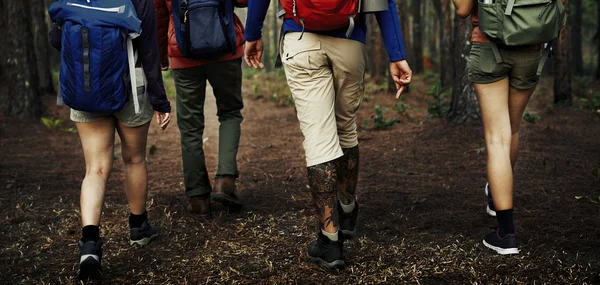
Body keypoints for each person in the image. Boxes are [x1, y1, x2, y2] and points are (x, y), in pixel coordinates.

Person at [244, 0, 412, 270]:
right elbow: (385, 2)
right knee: (345, 127)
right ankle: (347, 209)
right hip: (350, 39)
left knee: (318, 138)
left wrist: (252, 34)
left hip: (300, 38)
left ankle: (330, 240)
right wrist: (396, 53)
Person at [49, 0, 171, 279]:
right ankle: (139, 228)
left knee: (96, 168)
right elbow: (149, 49)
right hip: (132, 84)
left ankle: (90, 244)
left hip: (86, 84)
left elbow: (56, 36)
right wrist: (160, 100)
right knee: (134, 158)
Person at [453, 0, 566, 255]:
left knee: (497, 139)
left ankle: (506, 233)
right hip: (531, 47)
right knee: (512, 130)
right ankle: (496, 195)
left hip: (489, 46)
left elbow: (461, 9)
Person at [154, 0, 247, 220]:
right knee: (230, 112)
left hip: (184, 53)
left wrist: (161, 54)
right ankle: (225, 182)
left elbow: (159, 15)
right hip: (226, 48)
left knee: (190, 127)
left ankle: (198, 199)